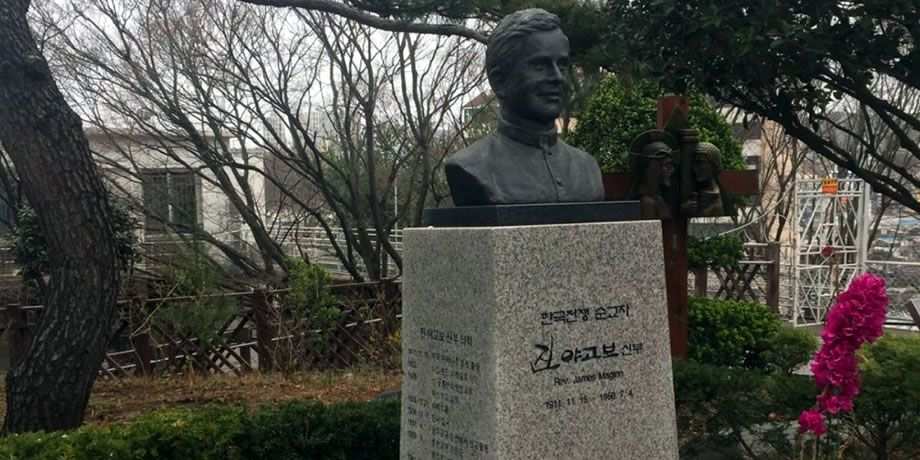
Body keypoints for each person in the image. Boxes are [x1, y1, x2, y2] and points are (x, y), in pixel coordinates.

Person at [444, 9, 605, 206]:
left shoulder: (587, 168)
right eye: (540, 66)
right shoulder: (470, 167)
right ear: (499, 80)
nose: (557, 77)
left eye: (562, 65)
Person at [629, 130, 675, 219]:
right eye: (667, 165)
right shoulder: (647, 203)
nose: (672, 170)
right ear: (652, 168)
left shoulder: (659, 198)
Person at [680, 142, 725, 217]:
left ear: (713, 164)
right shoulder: (694, 190)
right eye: (694, 163)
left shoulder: (718, 201)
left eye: (700, 163)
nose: (695, 168)